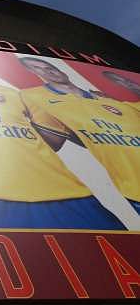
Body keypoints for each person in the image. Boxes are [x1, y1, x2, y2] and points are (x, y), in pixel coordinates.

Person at [0, 57, 124, 229]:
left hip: (62, 191)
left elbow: (54, 138)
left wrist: (22, 148)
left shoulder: (14, 94)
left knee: (122, 256)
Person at [19, 57, 140, 215]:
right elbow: (50, 142)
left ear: (62, 70)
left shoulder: (115, 104)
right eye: (38, 67)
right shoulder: (34, 96)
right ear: (33, 72)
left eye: (49, 66)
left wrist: (129, 84)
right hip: (134, 189)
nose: (48, 70)